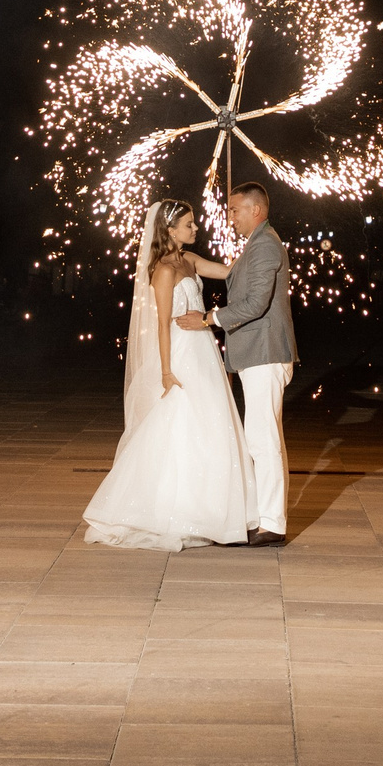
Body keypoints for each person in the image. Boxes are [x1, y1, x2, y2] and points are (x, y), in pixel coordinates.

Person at [82, 200, 250, 552]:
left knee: (210, 422)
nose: (195, 229)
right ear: (170, 230)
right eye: (189, 225)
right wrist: (166, 370)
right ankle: (169, 508)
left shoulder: (189, 261)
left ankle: (210, 508)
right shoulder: (162, 269)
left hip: (203, 349)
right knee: (178, 423)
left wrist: (251, 248)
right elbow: (160, 323)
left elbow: (227, 271)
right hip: (180, 352)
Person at [179, 181, 296, 545]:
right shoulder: (257, 244)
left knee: (263, 440)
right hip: (256, 352)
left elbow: (256, 304)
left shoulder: (264, 245)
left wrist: (209, 318)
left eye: (234, 210)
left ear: (255, 210)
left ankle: (273, 523)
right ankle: (264, 516)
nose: (229, 216)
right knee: (261, 437)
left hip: (265, 351)